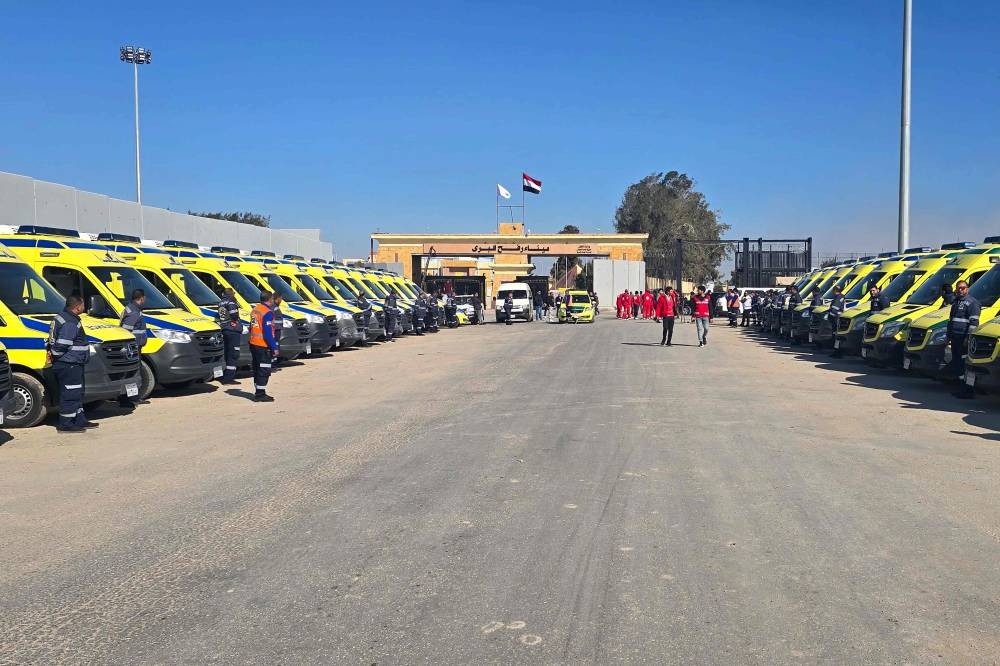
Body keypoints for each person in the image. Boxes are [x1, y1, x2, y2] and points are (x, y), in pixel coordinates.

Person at [48, 296, 98, 433]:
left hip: (72, 362)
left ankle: (79, 420)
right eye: (83, 305)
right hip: (69, 363)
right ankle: (66, 424)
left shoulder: (64, 317)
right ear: (77, 307)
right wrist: (59, 357)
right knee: (70, 393)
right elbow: (62, 344)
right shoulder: (70, 322)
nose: (84, 307)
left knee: (76, 393)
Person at [949, 280, 981, 399]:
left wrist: (968, 338)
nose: (960, 290)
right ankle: (962, 388)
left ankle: (969, 390)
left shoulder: (972, 303)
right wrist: (948, 335)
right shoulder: (956, 302)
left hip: (964, 339)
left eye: (963, 288)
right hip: (955, 338)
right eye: (958, 288)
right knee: (958, 364)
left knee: (965, 365)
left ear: (967, 289)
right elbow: (951, 321)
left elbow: (974, 323)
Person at [118, 289, 147, 408]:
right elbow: (126, 331)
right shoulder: (134, 312)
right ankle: (127, 400)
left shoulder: (132, 309)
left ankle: (134, 398)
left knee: (134, 372)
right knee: (131, 373)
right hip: (132, 347)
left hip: (134, 346)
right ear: (141, 298)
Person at [248, 290, 278, 402]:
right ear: (270, 299)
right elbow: (267, 332)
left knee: (256, 368)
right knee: (264, 369)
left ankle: (258, 390)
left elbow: (252, 327)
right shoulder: (267, 312)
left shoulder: (255, 309)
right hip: (262, 345)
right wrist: (274, 347)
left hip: (253, 343)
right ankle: (260, 394)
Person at [217, 287, 242, 385]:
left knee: (227, 352)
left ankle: (225, 375)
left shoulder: (220, 302)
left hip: (224, 328)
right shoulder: (231, 301)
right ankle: (228, 378)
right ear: (231, 294)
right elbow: (234, 314)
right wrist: (235, 321)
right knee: (234, 353)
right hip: (232, 329)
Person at [829, 285, 847, 357]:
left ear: (835, 290)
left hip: (837, 318)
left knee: (837, 336)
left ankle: (838, 352)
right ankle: (836, 351)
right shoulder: (839, 297)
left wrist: (830, 314)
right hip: (835, 318)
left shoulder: (839, 297)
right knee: (835, 335)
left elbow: (834, 308)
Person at [271, 292, 284, 361]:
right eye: (281, 299)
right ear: (277, 299)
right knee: (275, 345)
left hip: (277, 329)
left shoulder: (275, 307)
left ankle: (274, 360)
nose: (281, 300)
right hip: (275, 329)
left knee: (276, 345)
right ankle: (273, 361)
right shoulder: (274, 307)